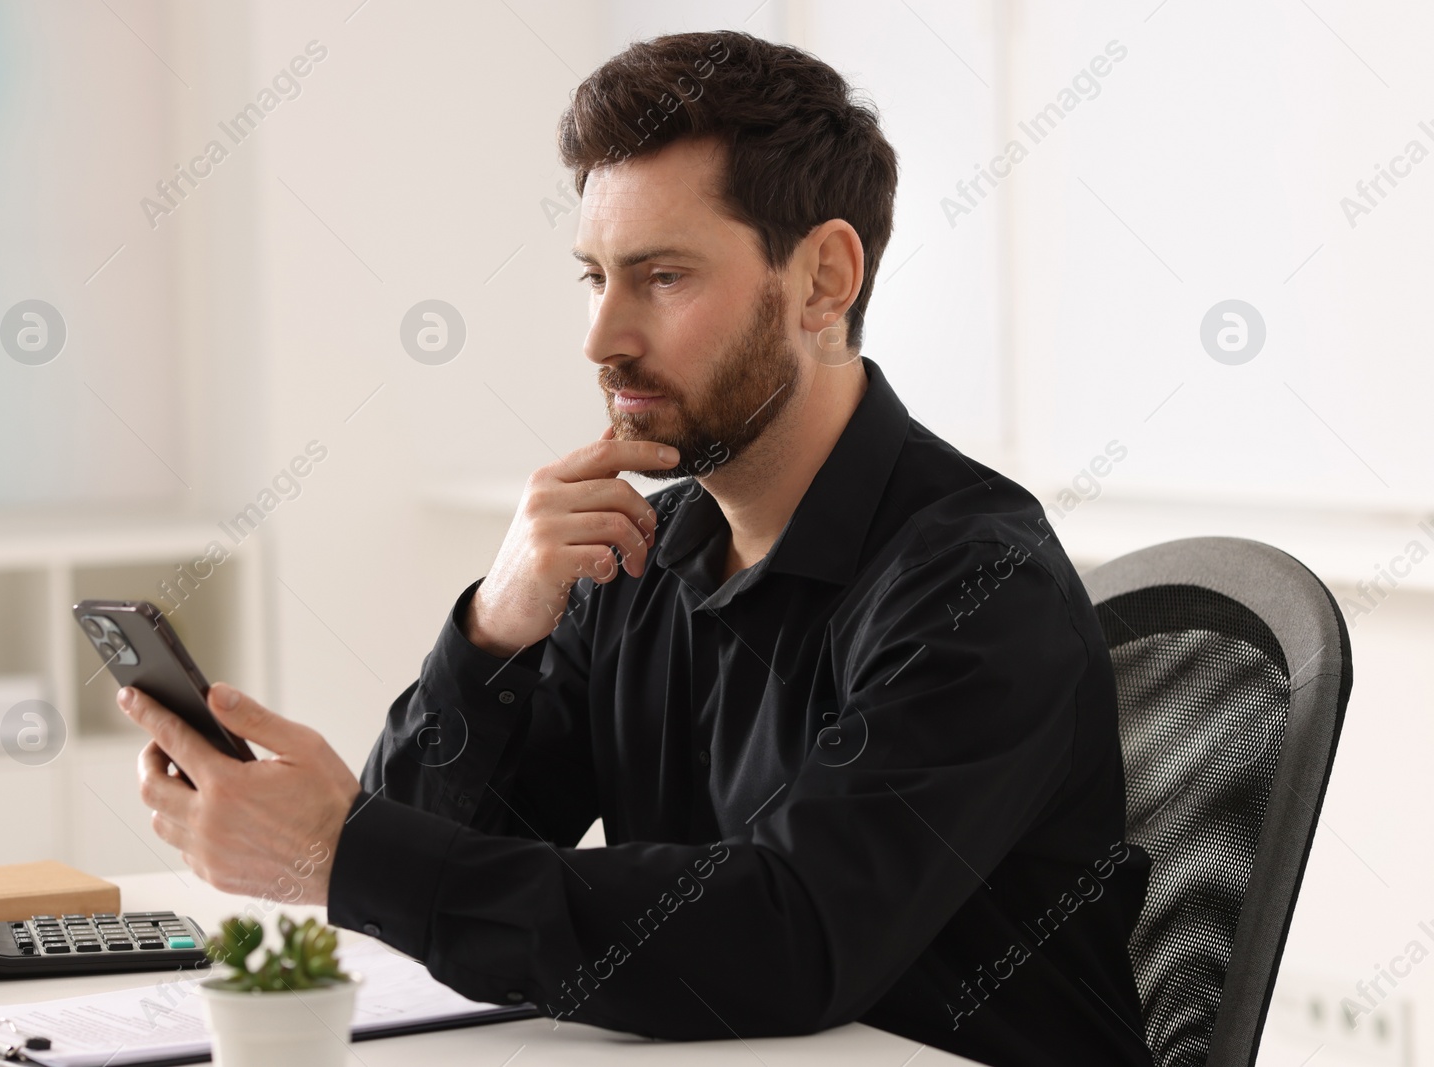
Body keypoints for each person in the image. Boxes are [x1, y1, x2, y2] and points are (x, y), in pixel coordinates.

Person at [118, 29, 1154, 1067]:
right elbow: (447, 867)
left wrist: (343, 847)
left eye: (661, 276)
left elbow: (791, 933)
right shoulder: (635, 551)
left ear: (824, 281)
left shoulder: (977, 584)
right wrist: (493, 632)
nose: (601, 335)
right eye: (593, 276)